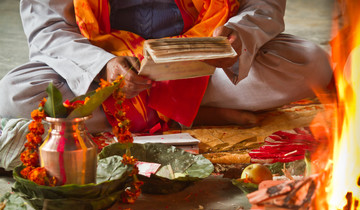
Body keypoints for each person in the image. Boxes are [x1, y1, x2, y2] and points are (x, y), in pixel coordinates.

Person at [0, 0, 333, 134]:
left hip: (201, 64)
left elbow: (263, 3)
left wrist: (239, 35)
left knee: (310, 64)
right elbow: (49, 30)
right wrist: (103, 68)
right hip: (106, 67)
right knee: (15, 98)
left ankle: (156, 111)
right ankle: (189, 113)